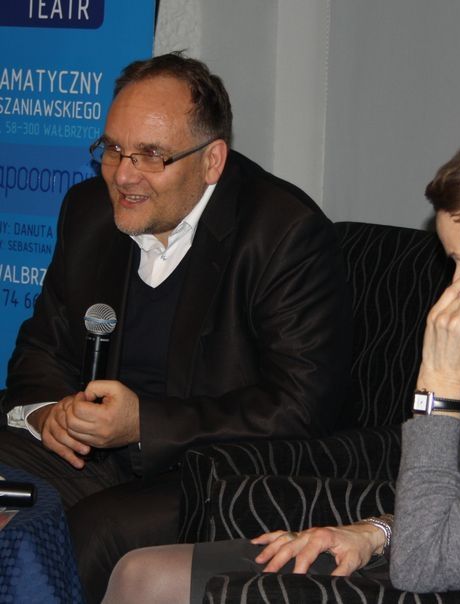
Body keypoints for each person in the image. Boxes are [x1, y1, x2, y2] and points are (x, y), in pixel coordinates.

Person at [101, 128, 460, 603]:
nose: (456, 290)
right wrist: (376, 532)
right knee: (140, 572)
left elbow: (432, 562)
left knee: (152, 583)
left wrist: (439, 388)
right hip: (445, 569)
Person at [0, 52, 351, 603]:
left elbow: (300, 407)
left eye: (151, 155)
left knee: (89, 532)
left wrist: (144, 424)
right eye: (113, 149)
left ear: (212, 161)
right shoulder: (89, 210)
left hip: (212, 471)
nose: (123, 175)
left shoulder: (284, 235)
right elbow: (41, 348)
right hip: (91, 453)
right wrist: (50, 412)